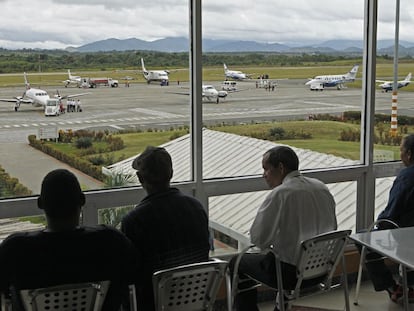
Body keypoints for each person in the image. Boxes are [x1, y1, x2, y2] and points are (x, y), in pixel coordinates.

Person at [0, 169, 137, 311]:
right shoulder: (112, 242)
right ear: (82, 200)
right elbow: (134, 278)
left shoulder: (15, 250)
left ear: (40, 203)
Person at [231, 146, 337, 311]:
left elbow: (259, 239)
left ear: (280, 168)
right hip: (322, 270)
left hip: (290, 276)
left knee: (237, 262)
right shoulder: (321, 187)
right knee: (286, 255)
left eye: (266, 169)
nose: (263, 175)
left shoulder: (281, 194)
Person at [121, 146, 210, 311]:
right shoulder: (196, 208)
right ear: (171, 173)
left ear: (140, 178)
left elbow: (130, 274)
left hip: (154, 304)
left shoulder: (135, 221)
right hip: (194, 299)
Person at [364, 134, 414, 302]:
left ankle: (392, 286)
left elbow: (391, 212)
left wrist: (377, 229)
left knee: (363, 238)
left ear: (409, 154)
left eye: (401, 150)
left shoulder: (407, 177)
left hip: (406, 236)